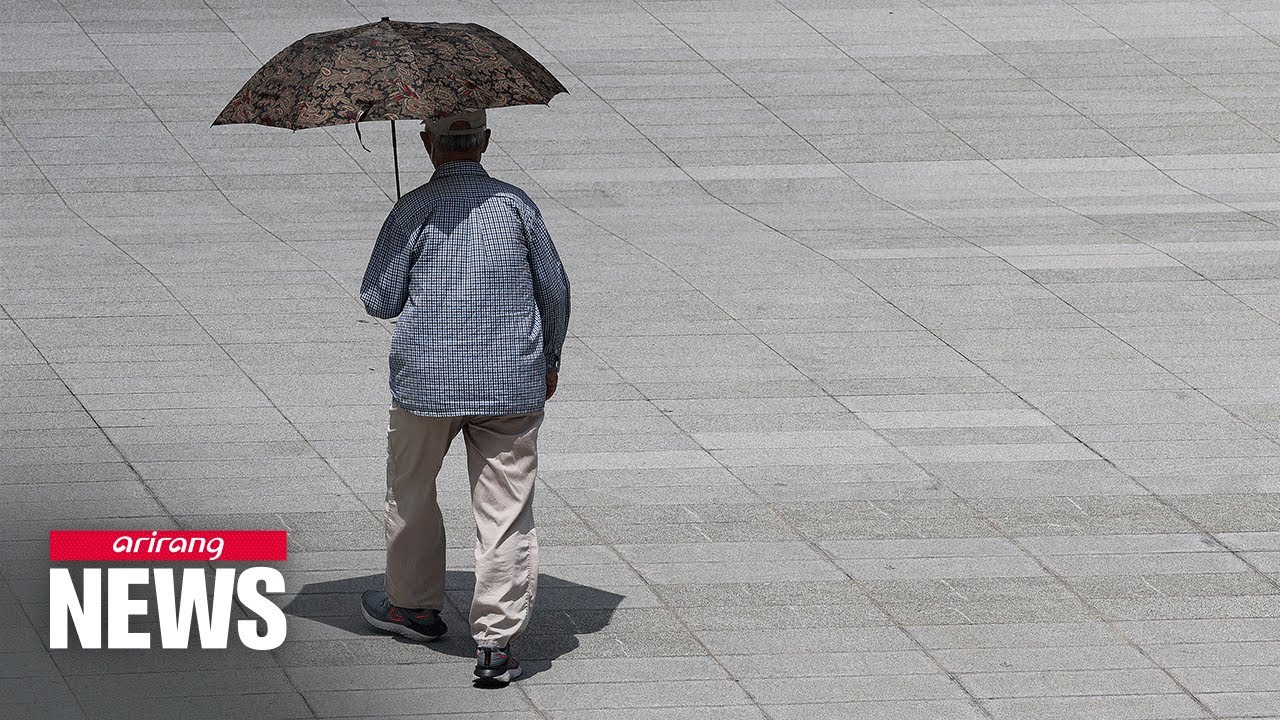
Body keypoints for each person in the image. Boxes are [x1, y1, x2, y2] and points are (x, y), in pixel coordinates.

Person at [356, 109, 570, 686]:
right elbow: (554, 285)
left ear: (427, 143)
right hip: (510, 378)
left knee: (410, 490)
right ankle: (496, 645)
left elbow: (378, 299)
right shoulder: (515, 204)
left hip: (427, 382)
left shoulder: (414, 209)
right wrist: (549, 359)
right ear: (485, 141)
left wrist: (404, 227)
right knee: (505, 508)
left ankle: (414, 607)